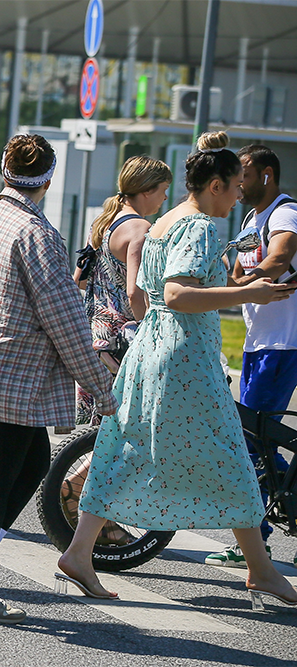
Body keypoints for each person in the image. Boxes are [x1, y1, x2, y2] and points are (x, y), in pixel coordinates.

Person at [58, 132, 297, 608]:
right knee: (230, 453)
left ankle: (80, 551)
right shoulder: (202, 226)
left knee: (125, 446)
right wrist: (251, 293)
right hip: (184, 354)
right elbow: (177, 294)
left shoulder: (164, 220)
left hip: (154, 347)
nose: (237, 197)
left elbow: (158, 294)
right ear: (213, 185)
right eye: (233, 187)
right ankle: (261, 569)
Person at [0, 134, 117, 624]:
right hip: (17, 372)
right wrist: (101, 389)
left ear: (4, 171)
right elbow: (63, 318)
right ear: (49, 177)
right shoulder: (37, 234)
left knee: (33, 461)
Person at [63, 157, 172, 546]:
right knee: (127, 432)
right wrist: (152, 330)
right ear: (146, 190)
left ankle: (87, 507)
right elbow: (135, 293)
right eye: (161, 190)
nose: (164, 198)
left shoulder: (106, 222)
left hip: (96, 335)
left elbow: (78, 279)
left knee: (108, 431)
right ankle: (76, 494)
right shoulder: (140, 228)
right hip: (121, 341)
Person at [206, 144, 297, 568]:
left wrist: (251, 281)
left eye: (244, 173)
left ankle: (254, 542)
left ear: (267, 175)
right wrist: (236, 280)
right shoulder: (248, 219)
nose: (237, 182)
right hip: (259, 343)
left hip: (284, 344)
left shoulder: (283, 212)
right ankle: (259, 530)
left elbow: (280, 257)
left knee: (251, 440)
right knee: (254, 438)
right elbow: (238, 271)